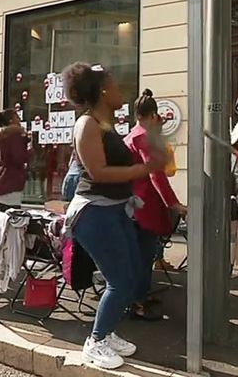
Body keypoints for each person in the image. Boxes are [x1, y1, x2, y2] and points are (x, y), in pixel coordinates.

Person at [63, 63, 165, 370]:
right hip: (94, 214)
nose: (121, 90)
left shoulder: (108, 126)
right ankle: (95, 342)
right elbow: (98, 172)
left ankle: (108, 331)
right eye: (116, 85)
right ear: (104, 91)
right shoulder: (88, 125)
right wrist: (142, 169)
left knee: (133, 275)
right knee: (119, 281)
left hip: (115, 210)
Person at [124, 89, 187, 320]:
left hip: (132, 203)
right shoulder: (144, 137)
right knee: (144, 255)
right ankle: (138, 303)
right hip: (145, 205)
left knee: (138, 255)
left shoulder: (131, 135)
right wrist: (173, 203)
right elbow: (155, 175)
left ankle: (137, 297)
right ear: (152, 116)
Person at [0, 109, 29, 212]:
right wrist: (31, 149)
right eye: (17, 117)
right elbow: (19, 157)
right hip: (11, 182)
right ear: (11, 120)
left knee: (2, 218)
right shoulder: (15, 135)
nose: (19, 119)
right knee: (13, 220)